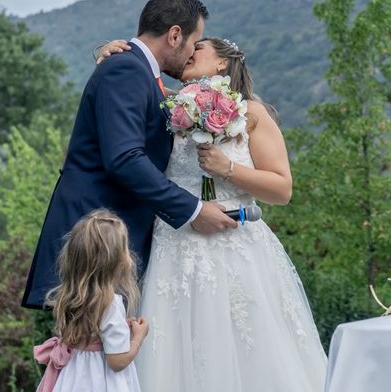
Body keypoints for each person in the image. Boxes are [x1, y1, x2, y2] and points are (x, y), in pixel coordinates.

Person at [97, 37, 327, 391]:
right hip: (176, 246)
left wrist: (227, 168)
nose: (189, 52)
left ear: (223, 63)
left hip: (239, 246)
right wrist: (110, 54)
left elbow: (282, 190)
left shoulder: (252, 114)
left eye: (199, 48)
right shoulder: (172, 109)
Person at [22, 0, 237, 309]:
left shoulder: (139, 72)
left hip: (115, 239)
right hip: (95, 243)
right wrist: (193, 210)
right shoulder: (126, 69)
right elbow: (124, 158)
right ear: (175, 35)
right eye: (194, 42)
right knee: (90, 354)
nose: (193, 52)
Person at [34, 209, 149, 392]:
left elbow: (95, 333)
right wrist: (137, 338)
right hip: (100, 380)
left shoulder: (71, 294)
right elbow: (117, 361)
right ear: (118, 261)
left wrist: (120, 327)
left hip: (73, 377)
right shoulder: (111, 303)